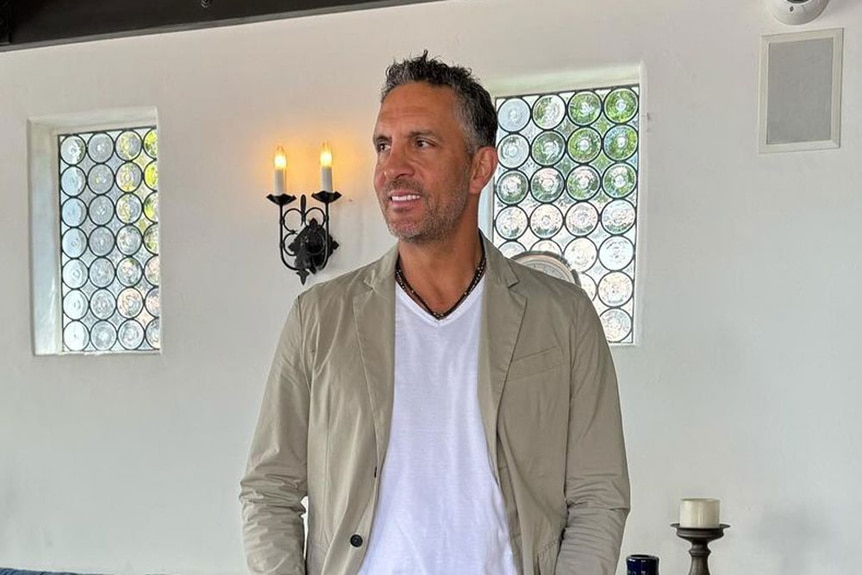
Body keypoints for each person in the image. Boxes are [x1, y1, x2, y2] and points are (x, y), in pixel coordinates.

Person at [239, 52, 630, 575]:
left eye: (421, 143)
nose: (392, 167)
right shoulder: (319, 317)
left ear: (479, 167)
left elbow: (598, 494)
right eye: (383, 145)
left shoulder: (562, 317)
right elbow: (269, 487)